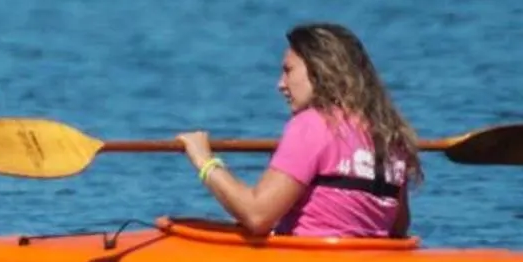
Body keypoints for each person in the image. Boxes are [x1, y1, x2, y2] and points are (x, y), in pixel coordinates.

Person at [179, 23, 421, 240]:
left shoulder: (311, 124)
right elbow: (397, 228)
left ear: (320, 70)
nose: (281, 84)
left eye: (288, 70)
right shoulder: (389, 131)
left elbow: (257, 216)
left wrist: (205, 161)